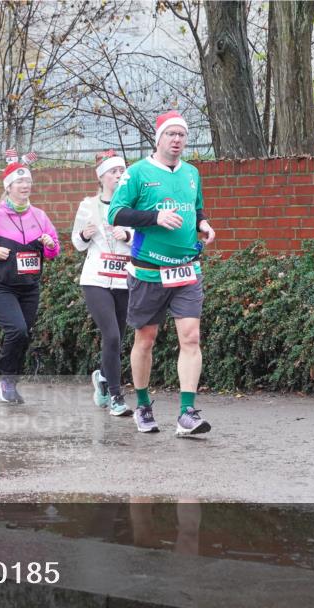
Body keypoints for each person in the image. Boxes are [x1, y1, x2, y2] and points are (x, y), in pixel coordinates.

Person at [107, 111, 216, 435]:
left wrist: (203, 224)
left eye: (182, 135)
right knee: (146, 339)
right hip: (148, 272)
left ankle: (187, 413)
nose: (177, 140)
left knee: (191, 337)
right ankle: (142, 404)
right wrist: (155, 218)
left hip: (186, 271)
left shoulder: (192, 173)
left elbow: (194, 208)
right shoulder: (138, 173)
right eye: (171, 134)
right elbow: (116, 212)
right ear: (159, 139)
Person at [0, 150, 60, 403]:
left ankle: (10, 384)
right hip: (0, 286)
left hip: (29, 287)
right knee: (17, 330)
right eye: (19, 182)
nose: (25, 186)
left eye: (28, 182)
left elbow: (53, 252)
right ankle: (6, 381)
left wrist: (50, 243)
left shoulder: (39, 216)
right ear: (8, 187)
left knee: (24, 334)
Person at [72, 150, 134, 417]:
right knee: (110, 335)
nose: (119, 176)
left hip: (124, 279)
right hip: (95, 279)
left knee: (117, 340)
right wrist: (85, 235)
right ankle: (117, 398)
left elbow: (144, 240)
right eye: (113, 172)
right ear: (102, 178)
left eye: (122, 171)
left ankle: (104, 380)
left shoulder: (133, 206)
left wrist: (129, 234)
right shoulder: (88, 205)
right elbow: (76, 242)